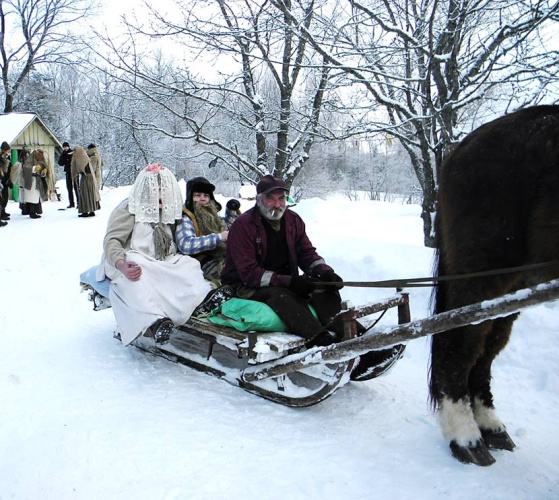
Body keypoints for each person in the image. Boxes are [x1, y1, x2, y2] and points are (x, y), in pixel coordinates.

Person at [221, 174, 406, 377]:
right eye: (270, 198)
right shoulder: (243, 226)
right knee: (283, 297)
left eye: (281, 198)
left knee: (324, 289)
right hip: (246, 287)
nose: (277, 204)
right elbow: (249, 273)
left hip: (283, 280)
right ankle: (326, 346)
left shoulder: (293, 220)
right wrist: (290, 282)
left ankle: (361, 341)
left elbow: (306, 253)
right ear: (259, 200)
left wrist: (324, 272)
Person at [98, 163, 211, 346]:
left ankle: (201, 300)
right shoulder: (130, 208)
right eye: (155, 190)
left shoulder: (168, 212)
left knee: (188, 264)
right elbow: (112, 241)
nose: (160, 195)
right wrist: (120, 264)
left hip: (161, 260)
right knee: (138, 268)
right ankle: (154, 321)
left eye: (163, 190)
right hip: (130, 260)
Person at [176, 176, 241, 285]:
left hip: (220, 257)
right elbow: (185, 245)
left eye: (206, 195)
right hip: (201, 263)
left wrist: (231, 211)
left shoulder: (211, 215)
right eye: (197, 195)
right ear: (190, 197)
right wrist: (218, 238)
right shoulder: (186, 218)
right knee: (233, 272)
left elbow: (226, 228)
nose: (203, 198)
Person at [18, 149, 55, 219]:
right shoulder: (30, 159)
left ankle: (36, 211)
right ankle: (32, 212)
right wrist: (34, 168)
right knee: (32, 198)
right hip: (31, 181)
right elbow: (26, 167)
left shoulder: (41, 160)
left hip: (38, 181)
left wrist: (43, 172)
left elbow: (43, 169)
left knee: (36, 198)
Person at [71, 146, 99, 218]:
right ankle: (92, 210)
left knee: (84, 194)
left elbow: (80, 169)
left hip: (86, 178)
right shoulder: (86, 157)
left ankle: (85, 211)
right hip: (90, 177)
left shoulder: (81, 158)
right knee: (91, 193)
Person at [58, 142, 78, 208]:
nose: (65, 148)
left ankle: (79, 202)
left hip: (74, 172)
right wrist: (63, 156)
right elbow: (60, 163)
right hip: (68, 172)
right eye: (64, 147)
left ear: (68, 147)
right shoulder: (63, 153)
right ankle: (71, 203)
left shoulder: (72, 152)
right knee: (69, 188)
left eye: (66, 147)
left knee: (76, 188)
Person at [0, 141, 12, 224]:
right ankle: (1, 214)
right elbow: (2, 169)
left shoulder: (7, 157)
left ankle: (3, 212)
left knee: (5, 197)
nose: (8, 151)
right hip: (2, 179)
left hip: (6, 179)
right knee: (2, 198)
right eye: (7, 150)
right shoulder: (1, 157)